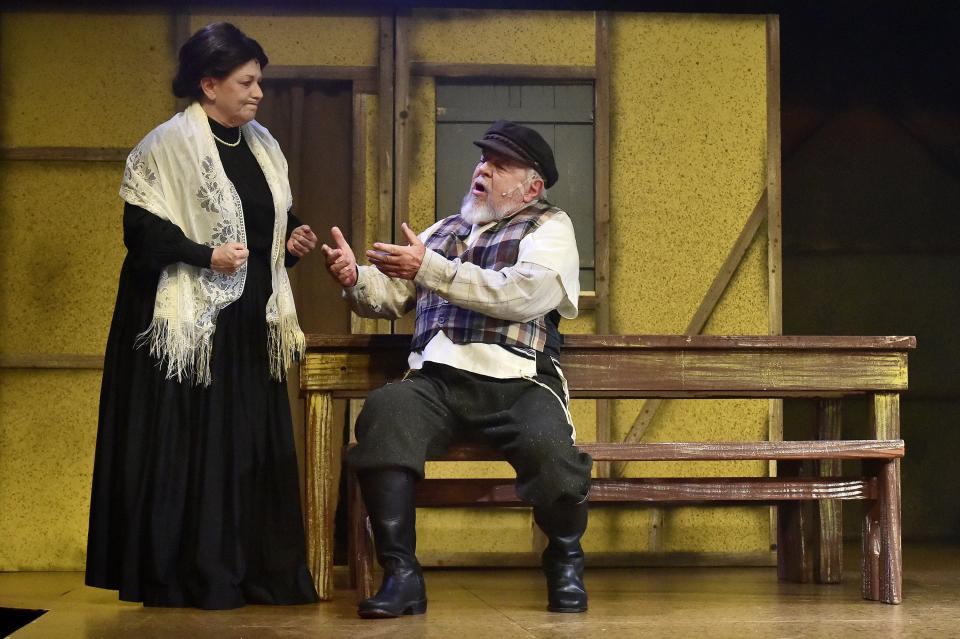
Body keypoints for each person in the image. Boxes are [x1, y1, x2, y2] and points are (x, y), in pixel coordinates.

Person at [85, 22, 320, 610]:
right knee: (195, 448)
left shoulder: (263, 145)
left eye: (259, 81)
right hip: (190, 327)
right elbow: (141, 234)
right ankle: (189, 575)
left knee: (248, 449)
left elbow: (266, 221)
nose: (258, 92)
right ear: (208, 84)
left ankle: (256, 573)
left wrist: (290, 241)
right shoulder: (164, 146)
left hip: (249, 324)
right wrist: (204, 255)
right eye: (246, 82)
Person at [322, 120, 593, 618]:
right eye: (482, 159)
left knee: (551, 452)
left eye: (500, 164)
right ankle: (402, 577)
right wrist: (354, 278)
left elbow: (523, 293)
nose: (483, 170)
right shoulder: (441, 232)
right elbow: (389, 296)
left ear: (532, 186)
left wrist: (431, 268)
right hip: (437, 382)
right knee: (386, 413)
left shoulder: (550, 226)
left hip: (519, 380)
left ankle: (565, 561)